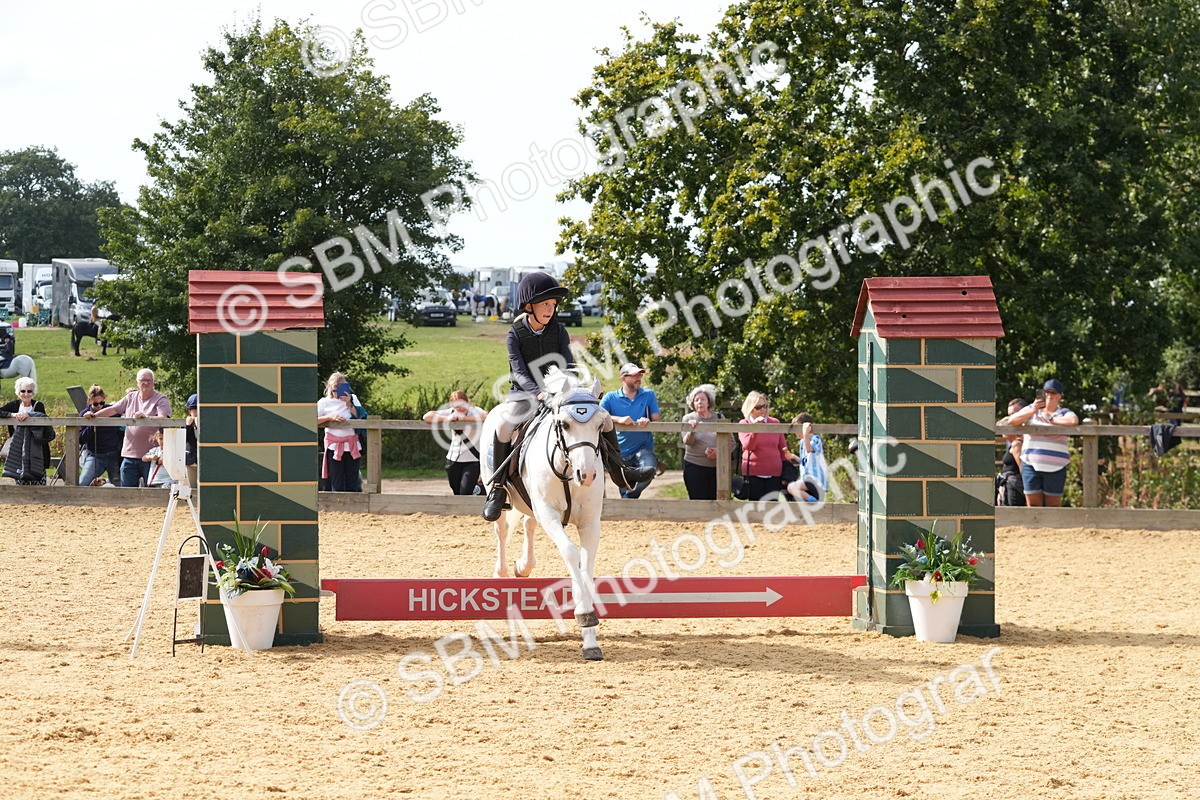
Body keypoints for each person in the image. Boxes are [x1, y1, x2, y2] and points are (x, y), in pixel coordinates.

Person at [482, 272, 654, 520]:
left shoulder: (559, 331)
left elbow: (568, 364)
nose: (550, 309)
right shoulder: (515, 333)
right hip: (525, 395)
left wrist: (576, 390)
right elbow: (519, 372)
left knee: (602, 418)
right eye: (545, 304)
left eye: (553, 305)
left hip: (559, 393)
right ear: (529, 306)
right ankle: (497, 489)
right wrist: (539, 393)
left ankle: (620, 472)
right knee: (503, 424)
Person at [85, 368, 172, 488]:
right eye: (142, 380)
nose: (145, 383)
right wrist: (94, 415)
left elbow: (164, 418)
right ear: (137, 382)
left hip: (152, 456)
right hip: (129, 455)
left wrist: (146, 417)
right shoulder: (130, 397)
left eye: (148, 380)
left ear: (153, 382)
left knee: (152, 492)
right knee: (127, 491)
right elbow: (113, 409)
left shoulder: (161, 399)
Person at [1006, 379, 1079, 507]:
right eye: (1047, 392)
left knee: (1053, 506)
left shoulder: (1064, 412)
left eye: (1053, 393)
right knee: (1033, 505)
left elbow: (1073, 421)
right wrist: (1032, 410)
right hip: (1031, 463)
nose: (1050, 396)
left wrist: (1051, 420)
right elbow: (1012, 421)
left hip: (1056, 465)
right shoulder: (1032, 409)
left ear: (1060, 396)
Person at [601, 363, 663, 499]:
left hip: (643, 448)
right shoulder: (610, 397)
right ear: (624, 379)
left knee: (650, 470)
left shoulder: (649, 394)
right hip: (619, 451)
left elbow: (656, 420)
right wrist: (619, 419)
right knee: (623, 484)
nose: (639, 378)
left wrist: (647, 421)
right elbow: (597, 414)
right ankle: (627, 504)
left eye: (640, 375)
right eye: (634, 375)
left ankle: (628, 498)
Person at [737, 391, 800, 502]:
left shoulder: (775, 422)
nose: (762, 409)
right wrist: (755, 429)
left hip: (775, 473)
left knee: (772, 509)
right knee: (755, 510)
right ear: (750, 408)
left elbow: (783, 449)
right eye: (758, 407)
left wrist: (788, 472)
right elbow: (748, 446)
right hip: (754, 473)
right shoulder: (744, 423)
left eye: (764, 406)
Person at [424, 390, 487, 496]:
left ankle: (480, 492)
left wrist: (465, 419)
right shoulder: (450, 412)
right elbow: (426, 416)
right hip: (453, 459)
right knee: (456, 491)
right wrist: (447, 418)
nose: (460, 409)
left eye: (462, 405)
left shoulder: (475, 411)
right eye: (457, 407)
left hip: (472, 459)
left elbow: (486, 416)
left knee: (465, 492)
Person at [0, 377, 55, 485]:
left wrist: (29, 415)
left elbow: (43, 417)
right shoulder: (14, 405)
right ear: (18, 392)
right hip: (19, 450)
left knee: (38, 480)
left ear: (33, 392)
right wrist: (12, 415)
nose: (26, 394)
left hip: (37, 449)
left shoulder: (38, 405)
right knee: (20, 479)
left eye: (29, 391)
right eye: (23, 391)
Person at [317, 372, 363, 492]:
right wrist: (329, 418)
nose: (338, 390)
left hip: (352, 446)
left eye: (341, 386)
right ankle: (338, 507)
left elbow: (361, 417)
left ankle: (352, 508)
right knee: (336, 480)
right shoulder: (324, 402)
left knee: (352, 480)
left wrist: (349, 404)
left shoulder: (353, 398)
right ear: (330, 387)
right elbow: (312, 419)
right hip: (334, 446)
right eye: (335, 387)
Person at [680, 383, 723, 500]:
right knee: (697, 501)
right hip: (694, 467)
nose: (700, 402)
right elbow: (687, 442)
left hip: (717, 468)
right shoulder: (688, 418)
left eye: (703, 399)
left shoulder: (719, 417)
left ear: (709, 402)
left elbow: (732, 443)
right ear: (693, 403)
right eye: (696, 400)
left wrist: (718, 451)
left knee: (715, 502)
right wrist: (692, 430)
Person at [79, 385, 123, 487]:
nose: (99, 406)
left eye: (102, 403)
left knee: (120, 486)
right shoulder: (84, 414)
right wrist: (91, 425)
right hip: (95, 455)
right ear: (89, 401)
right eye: (95, 403)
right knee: (82, 483)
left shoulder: (113, 412)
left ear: (104, 399)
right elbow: (81, 439)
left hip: (114, 455)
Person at [785, 412, 827, 502]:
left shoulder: (815, 439)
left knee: (791, 487)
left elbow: (810, 450)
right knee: (792, 490)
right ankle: (813, 501)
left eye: (799, 428)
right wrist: (793, 456)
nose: (796, 432)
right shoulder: (803, 442)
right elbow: (805, 461)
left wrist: (806, 435)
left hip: (815, 479)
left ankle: (813, 501)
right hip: (807, 478)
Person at [995, 398, 1027, 506]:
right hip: (1008, 487)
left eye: (1015, 414)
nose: (1010, 419)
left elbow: (1023, 470)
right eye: (1010, 415)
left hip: (1015, 488)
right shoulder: (1012, 442)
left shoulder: (1019, 443)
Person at [184, 393, 199, 488]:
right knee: (192, 488)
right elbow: (183, 439)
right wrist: (188, 426)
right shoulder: (186, 423)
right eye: (194, 409)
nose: (197, 411)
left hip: (206, 460)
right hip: (191, 461)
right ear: (189, 411)